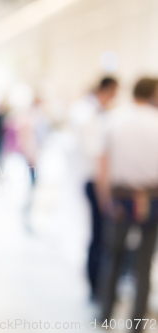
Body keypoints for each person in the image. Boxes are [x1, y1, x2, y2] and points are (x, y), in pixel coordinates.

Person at [97, 78, 158, 330]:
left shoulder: (114, 118)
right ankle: (136, 324)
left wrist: (104, 199)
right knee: (144, 264)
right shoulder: (155, 121)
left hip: (120, 197)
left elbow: (102, 163)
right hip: (153, 198)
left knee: (113, 257)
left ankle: (106, 315)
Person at [69, 77, 118, 299]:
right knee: (100, 236)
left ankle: (98, 285)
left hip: (92, 178)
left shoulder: (92, 112)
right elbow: (95, 152)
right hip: (94, 179)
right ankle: (96, 286)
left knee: (99, 235)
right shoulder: (89, 114)